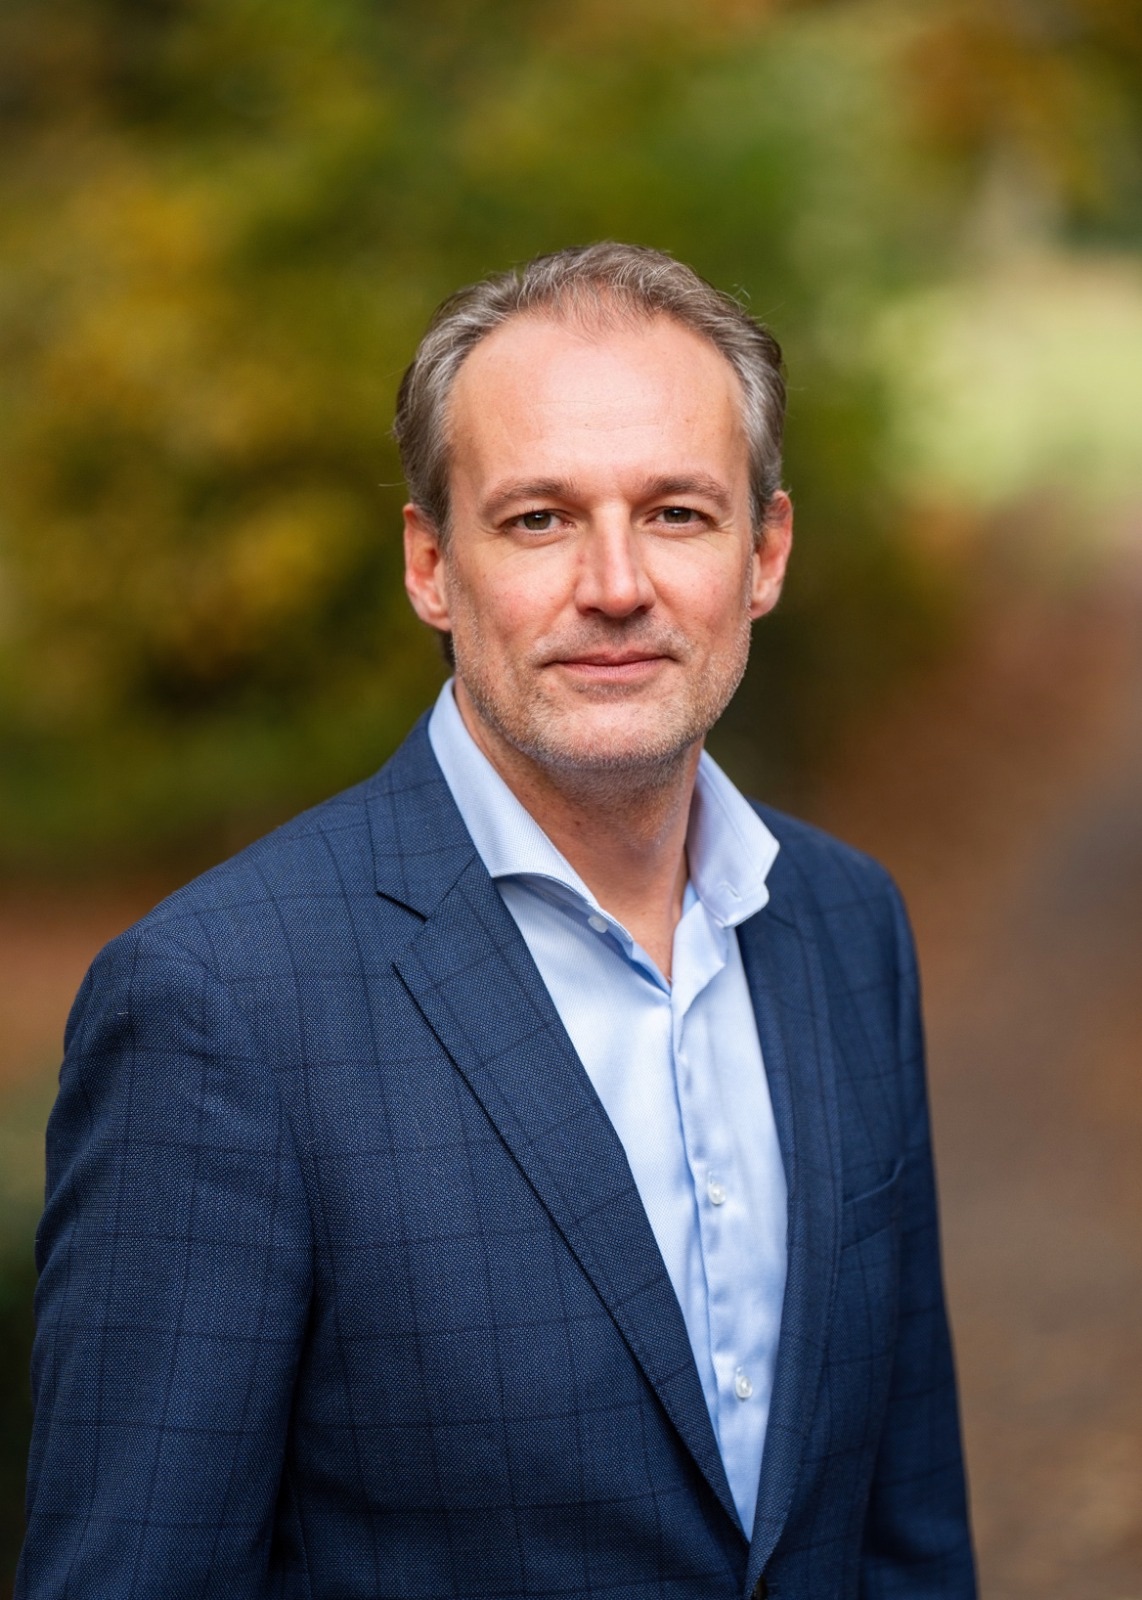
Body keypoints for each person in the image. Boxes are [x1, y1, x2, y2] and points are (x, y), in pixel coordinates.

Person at [18, 243, 976, 1600]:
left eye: (676, 513)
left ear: (763, 553)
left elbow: (905, 1529)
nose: (615, 583)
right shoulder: (219, 1005)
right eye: (537, 519)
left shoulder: (844, 926)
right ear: (431, 564)